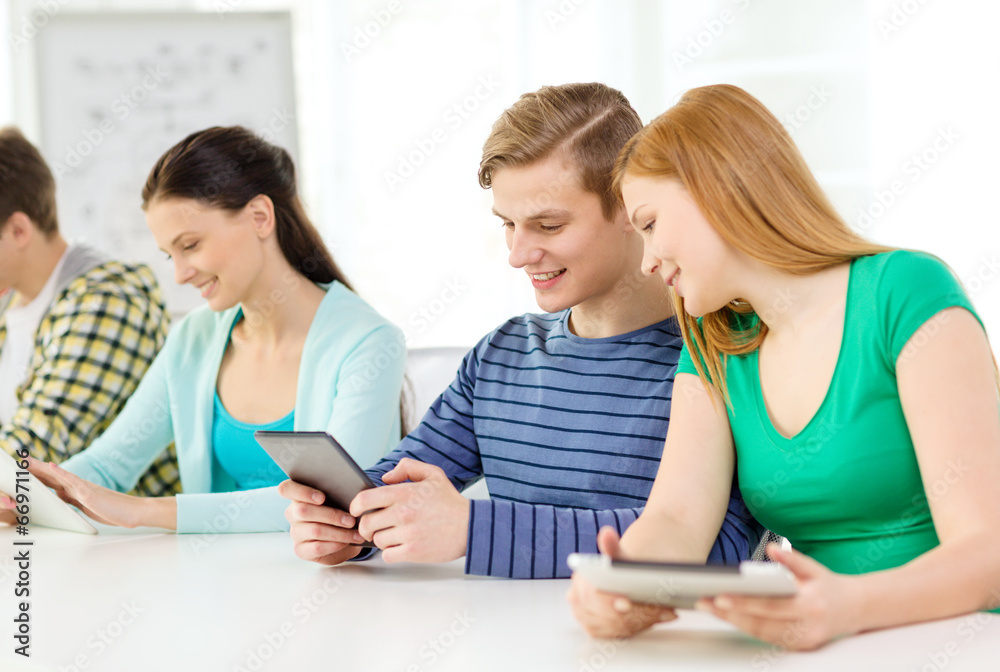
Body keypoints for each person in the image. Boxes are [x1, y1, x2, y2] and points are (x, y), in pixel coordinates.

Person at [567, 84, 1000, 648]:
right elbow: (676, 518)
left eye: (649, 224)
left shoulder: (906, 292)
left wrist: (848, 606)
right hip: (830, 647)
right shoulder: (713, 343)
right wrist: (627, 585)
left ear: (717, 190)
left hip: (963, 642)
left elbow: (988, 551)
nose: (647, 262)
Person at [280, 83, 762, 578]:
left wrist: (474, 530)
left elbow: (717, 548)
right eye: (508, 224)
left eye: (548, 226)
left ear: (627, 206)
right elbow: (397, 484)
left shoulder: (719, 351)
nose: (518, 254)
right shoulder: (503, 353)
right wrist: (343, 524)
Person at [2, 126, 405, 533]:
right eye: (169, 255)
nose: (179, 275)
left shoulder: (368, 343)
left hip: (339, 590)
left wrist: (142, 510)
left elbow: (338, 503)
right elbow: (110, 463)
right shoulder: (195, 338)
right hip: (211, 582)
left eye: (190, 245)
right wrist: (28, 491)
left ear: (260, 217)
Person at [0, 126, 178, 497]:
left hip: (131, 543)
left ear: (18, 230)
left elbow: (31, 453)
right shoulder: (9, 302)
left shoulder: (107, 300)